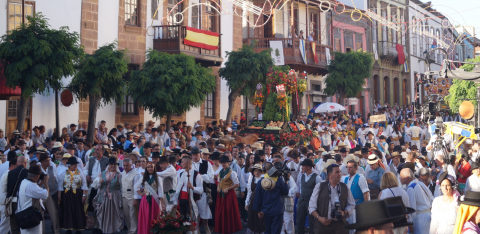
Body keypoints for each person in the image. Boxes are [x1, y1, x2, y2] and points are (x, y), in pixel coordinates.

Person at [308, 164, 355, 233]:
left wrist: (344, 212)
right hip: (322, 225)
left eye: (340, 172)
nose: (339, 174)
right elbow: (311, 207)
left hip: (340, 225)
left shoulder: (345, 187)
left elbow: (351, 204)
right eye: (337, 172)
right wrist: (319, 218)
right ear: (330, 175)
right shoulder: (319, 187)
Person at [252, 164, 289, 234]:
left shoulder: (261, 182)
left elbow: (257, 197)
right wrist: (286, 180)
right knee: (276, 231)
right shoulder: (279, 180)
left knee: (267, 230)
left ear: (265, 170)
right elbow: (285, 192)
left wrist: (258, 211)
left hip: (265, 211)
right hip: (277, 210)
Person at [171, 156, 203, 234]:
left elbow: (201, 190)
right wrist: (175, 202)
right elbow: (178, 189)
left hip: (190, 201)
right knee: (184, 222)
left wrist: (192, 187)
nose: (181, 163)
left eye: (182, 162)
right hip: (182, 200)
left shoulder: (196, 174)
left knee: (191, 222)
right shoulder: (181, 173)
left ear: (188, 163)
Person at [92, 157, 124, 234]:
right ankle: (104, 230)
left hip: (114, 198)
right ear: (108, 165)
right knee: (102, 214)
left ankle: (111, 230)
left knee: (113, 215)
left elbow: (122, 187)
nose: (113, 166)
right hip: (103, 197)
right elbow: (95, 185)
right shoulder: (102, 173)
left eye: (114, 164)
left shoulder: (119, 175)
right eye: (111, 164)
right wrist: (99, 182)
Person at [57, 157, 88, 233]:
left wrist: (84, 195)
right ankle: (68, 228)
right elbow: (60, 185)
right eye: (73, 165)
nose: (75, 166)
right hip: (67, 194)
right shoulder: (63, 173)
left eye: (76, 164)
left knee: (78, 210)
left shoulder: (80, 173)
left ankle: (78, 228)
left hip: (77, 194)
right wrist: (59, 196)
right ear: (69, 165)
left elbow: (84, 184)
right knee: (67, 210)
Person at [15, 165, 49, 234]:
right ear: (37, 176)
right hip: (31, 217)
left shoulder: (24, 181)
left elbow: (33, 193)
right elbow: (45, 194)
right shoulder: (31, 186)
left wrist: (39, 185)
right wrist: (46, 182)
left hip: (24, 215)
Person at [400, 168, 434, 234]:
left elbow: (412, 209)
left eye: (401, 176)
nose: (399, 178)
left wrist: (410, 223)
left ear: (406, 177)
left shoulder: (411, 188)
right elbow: (432, 199)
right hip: (428, 217)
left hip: (420, 220)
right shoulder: (420, 184)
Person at [215, 156, 242, 234]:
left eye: (224, 163)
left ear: (228, 163)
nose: (223, 164)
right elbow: (219, 181)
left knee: (228, 211)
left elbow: (237, 184)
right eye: (222, 163)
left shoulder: (232, 172)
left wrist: (228, 188)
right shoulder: (220, 171)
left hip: (229, 195)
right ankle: (221, 228)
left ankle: (228, 229)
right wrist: (218, 187)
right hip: (221, 195)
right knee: (220, 211)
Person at [136, 161, 164, 234]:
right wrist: (141, 193)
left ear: (154, 168)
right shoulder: (144, 178)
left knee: (154, 217)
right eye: (148, 167)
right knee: (146, 217)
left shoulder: (158, 178)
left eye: (151, 167)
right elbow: (136, 186)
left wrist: (162, 204)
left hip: (155, 200)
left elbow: (161, 191)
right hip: (145, 200)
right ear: (146, 168)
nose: (150, 168)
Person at [296, 158, 322, 234]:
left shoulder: (317, 177)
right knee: (299, 220)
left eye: (303, 166)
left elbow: (320, 190)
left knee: (312, 221)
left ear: (308, 167)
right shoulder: (302, 176)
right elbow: (301, 188)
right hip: (302, 201)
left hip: (311, 202)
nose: (302, 167)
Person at [37, 154, 60, 234]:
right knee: (41, 214)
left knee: (54, 213)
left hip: (50, 193)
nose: (48, 162)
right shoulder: (37, 170)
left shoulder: (52, 167)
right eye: (46, 161)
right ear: (41, 162)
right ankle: (42, 231)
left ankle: (56, 230)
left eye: (49, 160)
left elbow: (56, 178)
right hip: (40, 194)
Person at [7, 156, 28, 234]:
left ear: (17, 163)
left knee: (14, 226)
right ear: (25, 163)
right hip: (22, 202)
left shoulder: (10, 172)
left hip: (12, 201)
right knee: (24, 225)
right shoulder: (26, 172)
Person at [121, 158, 140, 234]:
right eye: (124, 165)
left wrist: (135, 199)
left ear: (131, 165)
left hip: (132, 197)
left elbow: (136, 188)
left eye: (127, 165)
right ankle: (129, 230)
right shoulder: (123, 172)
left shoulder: (136, 174)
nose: (125, 167)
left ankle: (133, 231)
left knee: (132, 215)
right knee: (126, 215)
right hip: (124, 196)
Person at [245, 164, 265, 234]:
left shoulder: (263, 180)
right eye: (255, 171)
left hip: (260, 202)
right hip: (252, 202)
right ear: (253, 172)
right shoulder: (251, 180)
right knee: (252, 219)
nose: (257, 172)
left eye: (259, 171)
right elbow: (249, 192)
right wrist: (246, 203)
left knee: (260, 220)